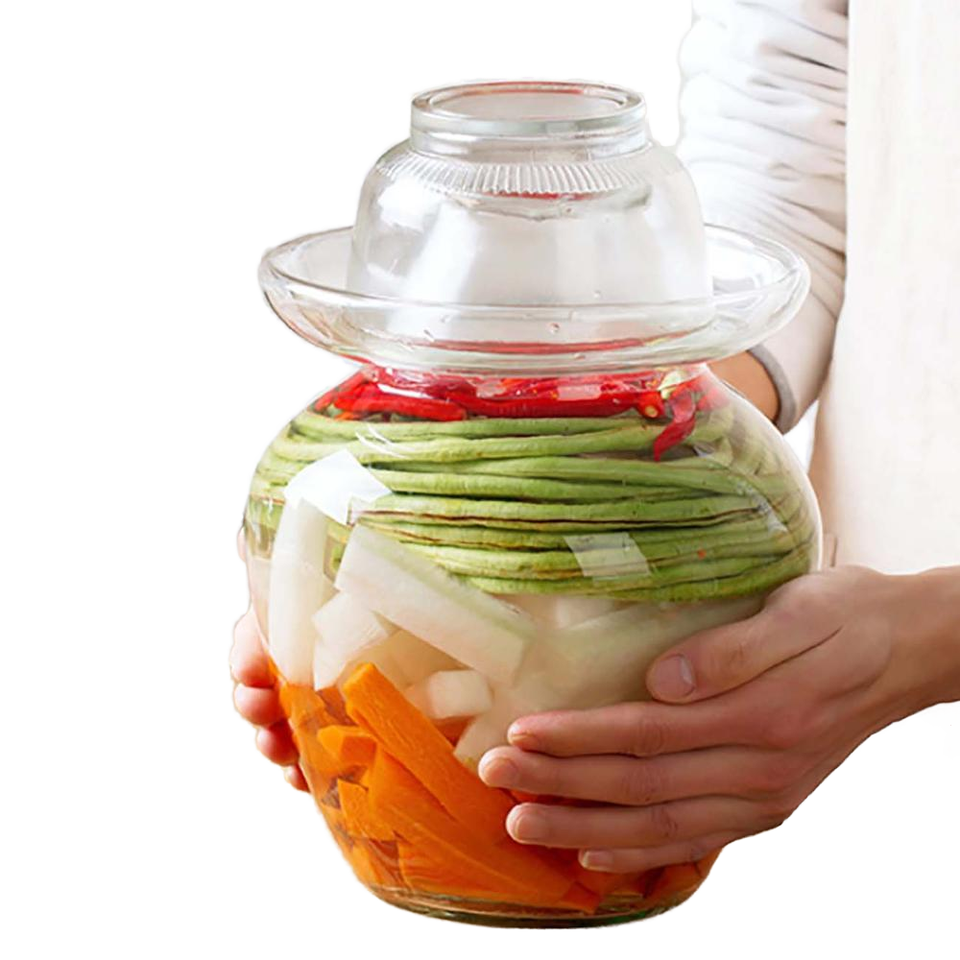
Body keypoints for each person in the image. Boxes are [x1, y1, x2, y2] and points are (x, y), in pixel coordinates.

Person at [230, 0, 960, 871]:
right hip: (859, 730)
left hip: (879, 653)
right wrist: (540, 480)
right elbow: (792, 125)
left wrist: (934, 637)